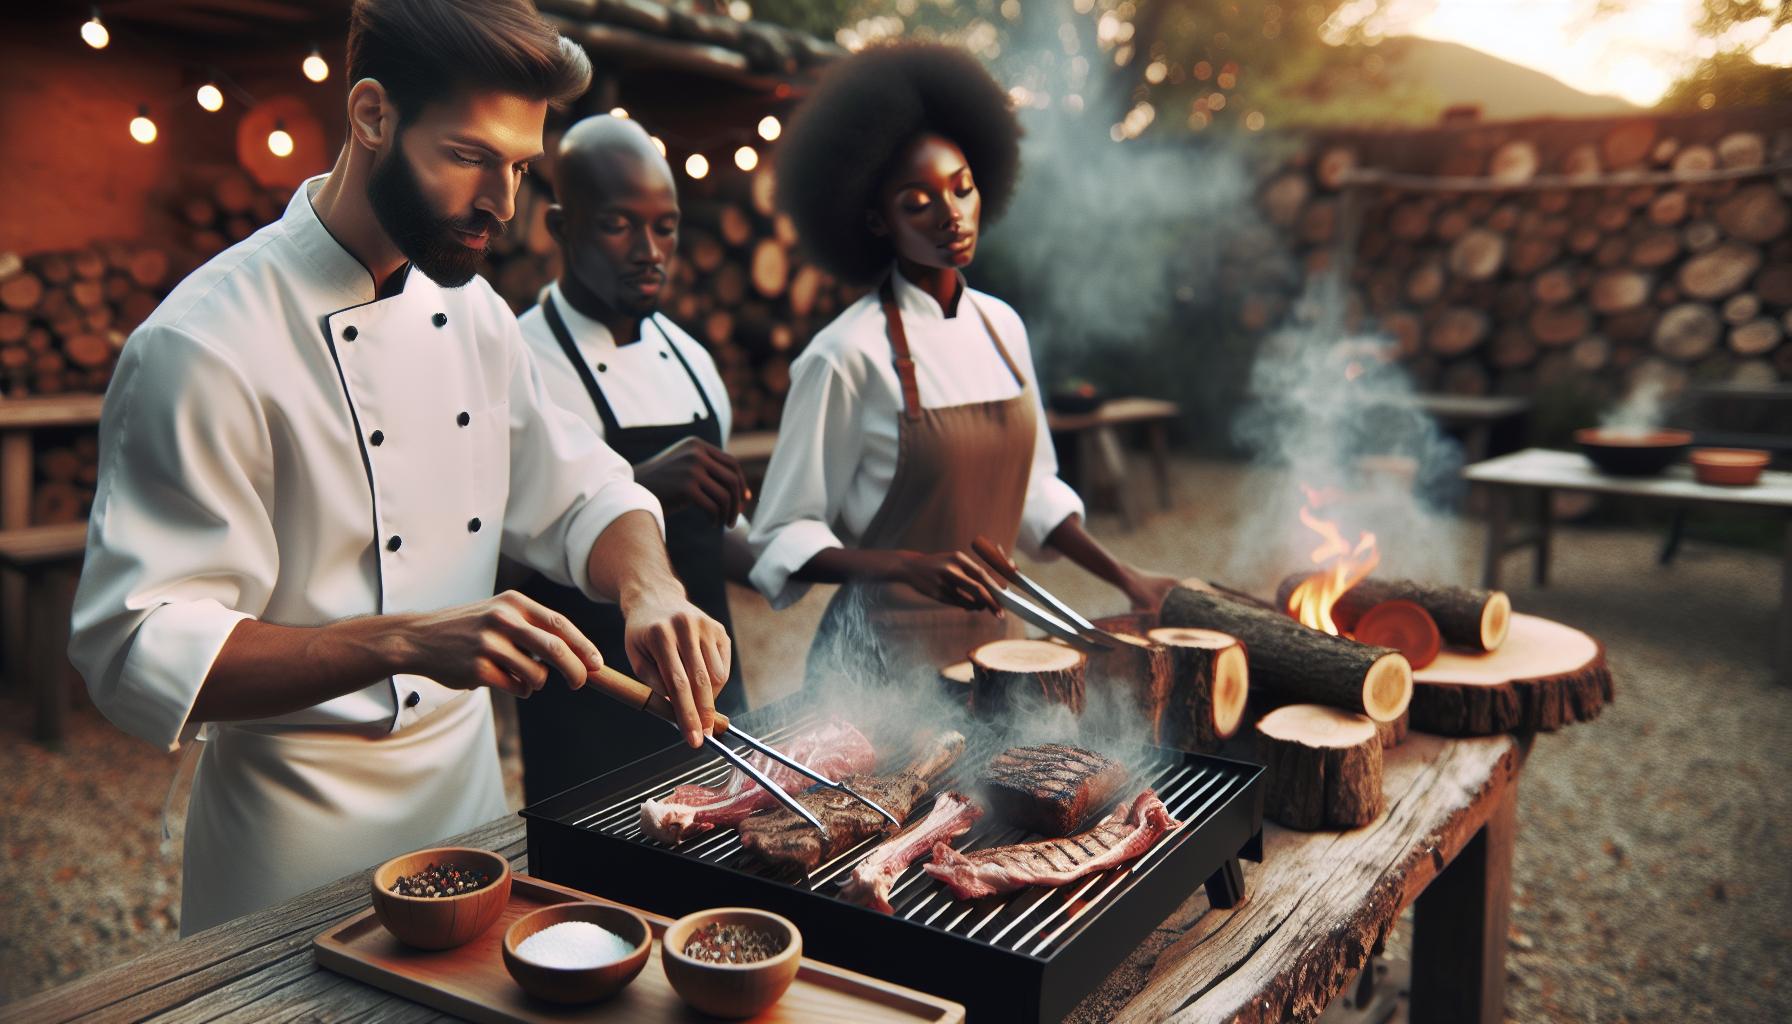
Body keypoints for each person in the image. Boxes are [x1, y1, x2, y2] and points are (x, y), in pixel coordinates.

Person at [68, 0, 730, 936]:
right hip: (291, 841)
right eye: (469, 157)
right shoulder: (201, 342)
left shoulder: (477, 319)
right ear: (372, 115)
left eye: (519, 167)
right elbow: (137, 647)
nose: (502, 204)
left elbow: (586, 487)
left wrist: (650, 588)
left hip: (470, 819)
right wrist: (403, 639)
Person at [748, 42, 1183, 687]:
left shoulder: (1003, 327)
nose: (951, 214)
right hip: (876, 667)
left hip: (995, 649)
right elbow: (782, 532)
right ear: (876, 220)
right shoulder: (845, 355)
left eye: (962, 188)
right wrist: (906, 566)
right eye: (917, 201)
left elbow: (1033, 494)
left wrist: (1126, 578)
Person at [513, 114, 750, 799]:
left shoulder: (695, 361)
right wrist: (642, 485)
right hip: (590, 704)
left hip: (711, 687)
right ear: (560, 227)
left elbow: (711, 540)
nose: (649, 249)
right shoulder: (523, 364)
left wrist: (816, 562)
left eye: (666, 226)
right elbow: (493, 557)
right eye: (620, 224)